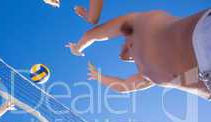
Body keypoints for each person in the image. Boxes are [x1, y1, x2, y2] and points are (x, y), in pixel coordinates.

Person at [66, 9, 211, 99]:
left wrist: (77, 48)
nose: (122, 52)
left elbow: (91, 35)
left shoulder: (136, 23)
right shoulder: (149, 75)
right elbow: (123, 86)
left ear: (128, 43)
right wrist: (98, 76)